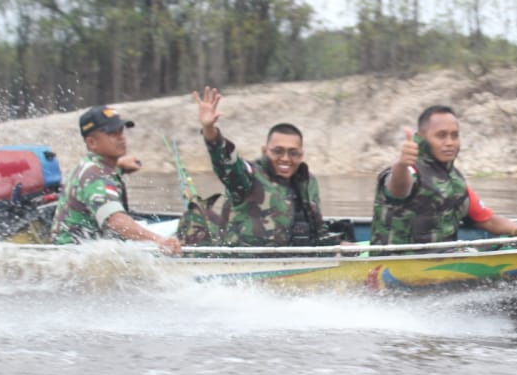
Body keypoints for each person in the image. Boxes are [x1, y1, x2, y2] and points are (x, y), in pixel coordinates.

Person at [371, 104, 517, 246]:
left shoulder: (455, 181)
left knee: (504, 247)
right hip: (400, 262)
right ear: (422, 138)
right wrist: (401, 164)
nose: (449, 142)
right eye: (441, 136)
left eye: (454, 135)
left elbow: (488, 220)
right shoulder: (409, 170)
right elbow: (397, 188)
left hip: (444, 259)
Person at [190, 86, 334, 247]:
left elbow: (318, 227)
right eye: (278, 151)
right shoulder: (249, 176)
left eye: (293, 153)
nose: (286, 159)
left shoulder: (308, 182)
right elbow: (226, 162)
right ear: (265, 151)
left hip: (296, 259)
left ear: (302, 154)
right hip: (248, 261)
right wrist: (210, 130)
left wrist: (339, 246)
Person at [50, 105, 182, 254]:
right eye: (111, 133)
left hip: (87, 251)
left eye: (121, 131)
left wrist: (119, 166)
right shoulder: (95, 175)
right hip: (74, 257)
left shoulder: (92, 166)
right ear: (92, 142)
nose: (121, 137)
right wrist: (158, 240)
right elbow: (115, 221)